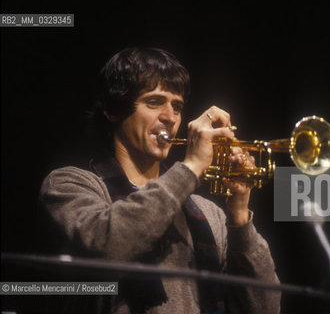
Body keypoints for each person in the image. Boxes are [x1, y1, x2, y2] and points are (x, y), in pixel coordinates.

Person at [39, 47, 280, 313]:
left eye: (177, 106)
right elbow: (108, 247)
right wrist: (190, 168)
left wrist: (239, 214)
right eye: (154, 102)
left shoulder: (208, 212)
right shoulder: (69, 185)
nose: (170, 117)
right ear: (113, 109)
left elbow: (265, 308)